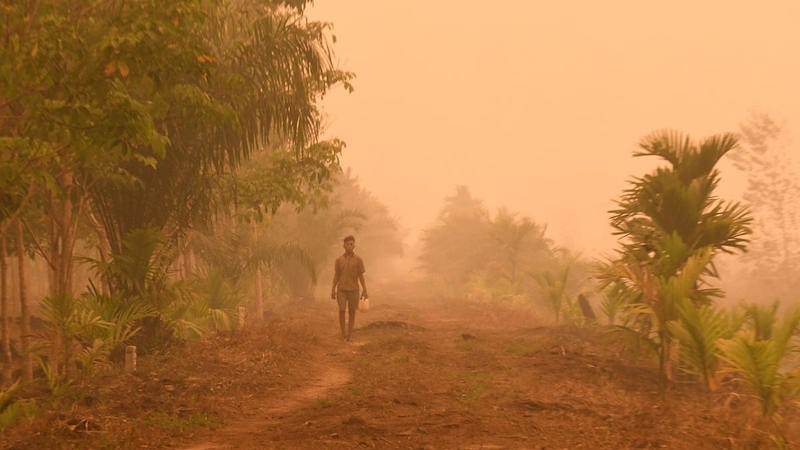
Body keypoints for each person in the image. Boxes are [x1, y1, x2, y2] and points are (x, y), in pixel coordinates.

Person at [331, 235, 368, 341]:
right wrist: (333, 289)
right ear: (344, 245)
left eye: (352, 244)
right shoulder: (339, 260)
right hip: (341, 289)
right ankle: (343, 334)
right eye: (348, 244)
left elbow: (361, 276)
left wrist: (365, 289)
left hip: (354, 290)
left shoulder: (358, 260)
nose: (350, 246)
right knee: (342, 310)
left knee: (352, 312)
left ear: (354, 245)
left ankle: (350, 335)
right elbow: (336, 275)